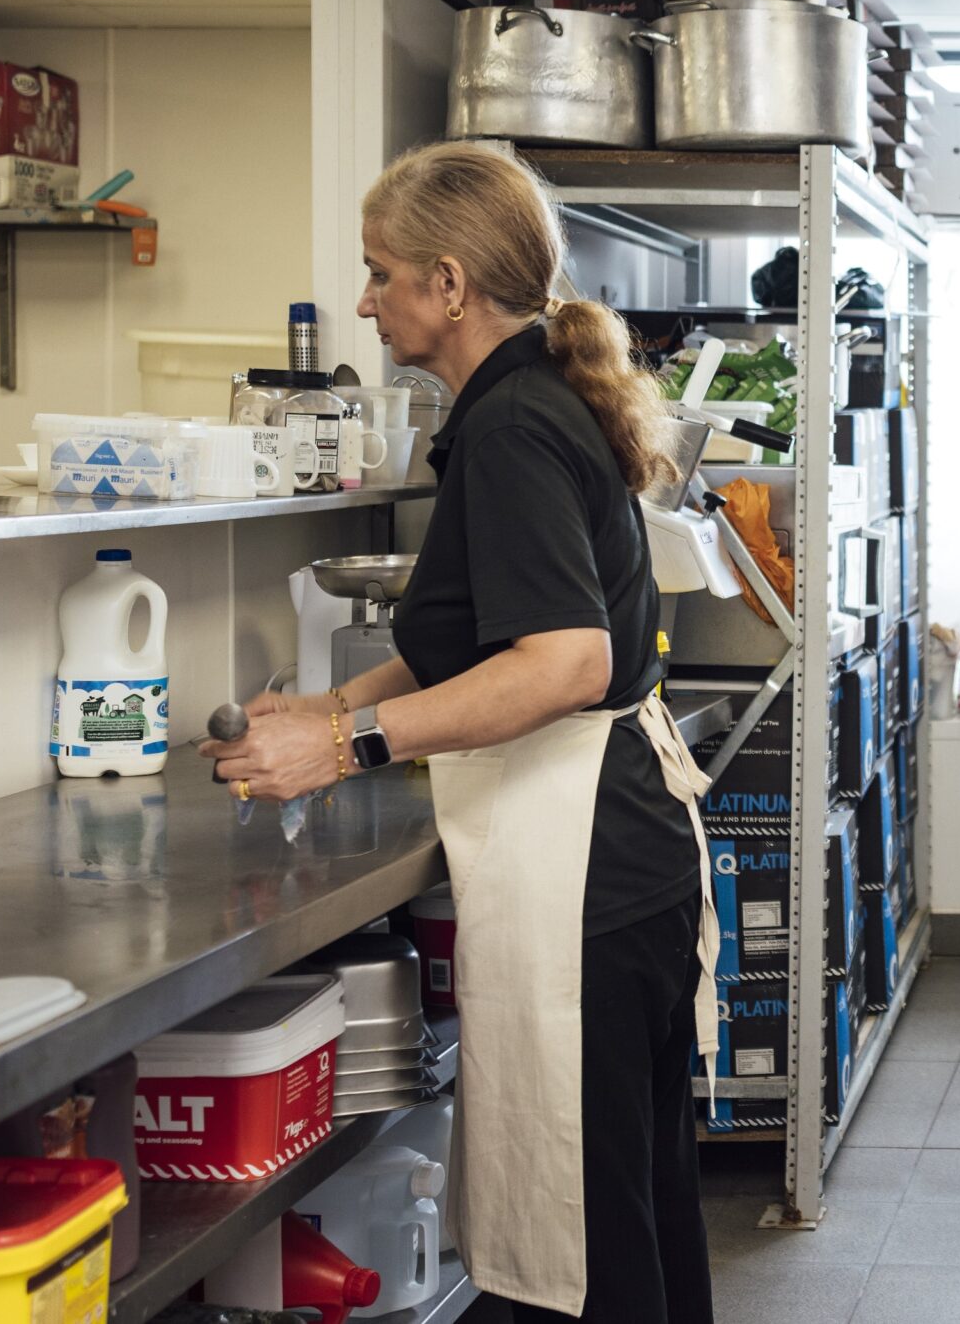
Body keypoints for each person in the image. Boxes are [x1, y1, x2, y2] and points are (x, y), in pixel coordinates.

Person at [202, 142, 715, 1324]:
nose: (366, 301)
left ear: (448, 283)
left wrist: (348, 746)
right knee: (629, 1218)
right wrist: (330, 708)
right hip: (613, 852)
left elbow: (564, 661)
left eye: (380, 273)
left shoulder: (514, 426)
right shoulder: (521, 403)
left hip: (586, 867)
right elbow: (482, 640)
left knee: (593, 1247)